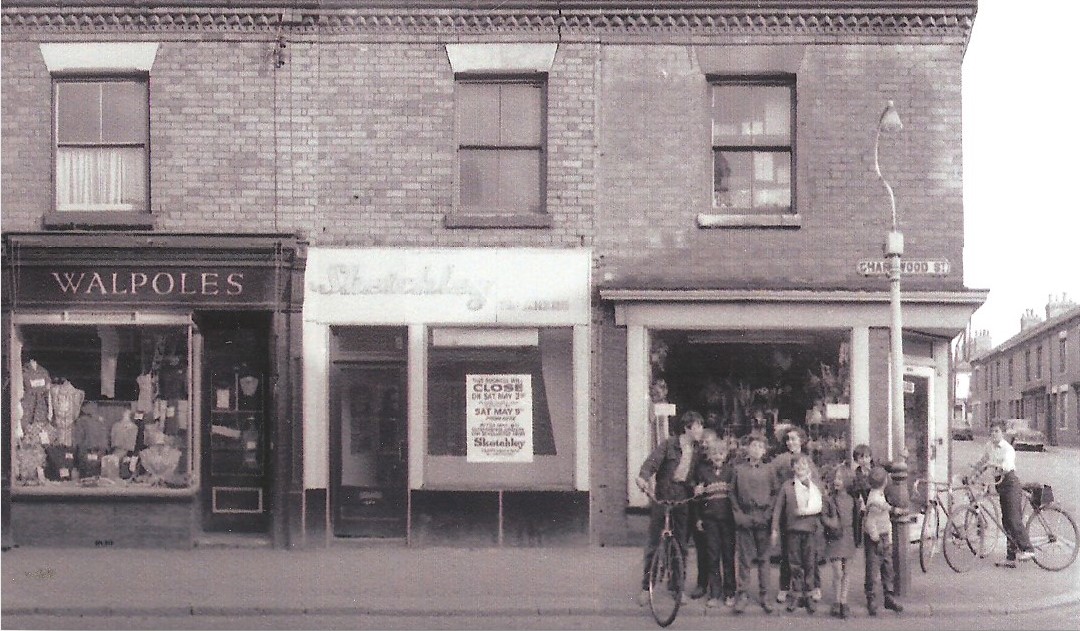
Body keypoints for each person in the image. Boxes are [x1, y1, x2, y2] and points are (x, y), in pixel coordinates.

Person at [635, 410, 706, 606]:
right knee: (654, 543)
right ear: (687, 428)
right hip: (663, 496)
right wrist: (643, 477)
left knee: (681, 545)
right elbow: (652, 462)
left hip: (683, 498)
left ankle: (677, 588)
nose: (701, 430)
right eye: (698, 426)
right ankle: (645, 587)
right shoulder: (669, 444)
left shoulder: (698, 450)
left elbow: (696, 476)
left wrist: (696, 487)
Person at [972, 420, 1035, 567]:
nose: (994, 434)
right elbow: (983, 461)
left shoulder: (1008, 449)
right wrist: (973, 473)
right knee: (1006, 521)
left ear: (1003, 433)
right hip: (1000, 484)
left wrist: (993, 465)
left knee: (1013, 518)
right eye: (992, 431)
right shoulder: (989, 446)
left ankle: (1028, 548)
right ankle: (1011, 557)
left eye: (997, 431)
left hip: (1010, 483)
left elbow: (1006, 466)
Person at [770, 426, 822, 604]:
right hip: (788, 513)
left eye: (794, 439)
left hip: (807, 517)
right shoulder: (780, 460)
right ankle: (785, 587)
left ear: (801, 441)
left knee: (809, 555)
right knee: (788, 554)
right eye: (788, 439)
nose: (790, 442)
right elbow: (773, 481)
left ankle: (813, 587)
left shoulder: (808, 461)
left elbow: (817, 487)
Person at [729, 433, 777, 614]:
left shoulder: (769, 469)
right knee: (744, 559)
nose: (757, 449)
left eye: (760, 446)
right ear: (747, 448)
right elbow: (732, 493)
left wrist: (768, 514)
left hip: (763, 517)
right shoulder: (738, 469)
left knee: (764, 558)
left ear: (764, 451)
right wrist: (738, 514)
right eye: (754, 445)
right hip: (745, 516)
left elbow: (775, 492)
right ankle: (742, 594)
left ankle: (765, 594)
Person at [693, 429, 737, 608]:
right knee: (712, 556)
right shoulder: (703, 473)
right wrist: (698, 518)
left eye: (721, 453)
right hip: (710, 520)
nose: (718, 456)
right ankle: (715, 593)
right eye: (714, 453)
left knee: (728, 555)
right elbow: (697, 499)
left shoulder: (731, 472)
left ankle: (729, 592)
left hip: (728, 521)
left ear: (726, 455)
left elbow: (735, 496)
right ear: (710, 456)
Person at [863, 466, 903, 615]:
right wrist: (876, 538)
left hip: (883, 535)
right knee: (874, 569)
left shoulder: (878, 494)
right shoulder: (874, 499)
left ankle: (887, 596)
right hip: (876, 538)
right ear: (885, 481)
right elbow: (870, 521)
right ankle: (873, 598)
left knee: (887, 567)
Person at [821, 464, 857, 619]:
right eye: (836, 478)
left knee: (847, 571)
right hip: (835, 537)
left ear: (847, 481)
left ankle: (843, 601)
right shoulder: (829, 500)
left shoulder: (852, 500)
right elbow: (823, 517)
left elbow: (856, 520)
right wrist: (831, 523)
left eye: (841, 478)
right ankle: (836, 600)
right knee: (837, 571)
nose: (837, 481)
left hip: (848, 536)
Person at [849, 444, 874, 547]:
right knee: (858, 515)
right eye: (861, 457)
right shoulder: (857, 473)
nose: (864, 460)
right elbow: (856, 489)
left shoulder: (873, 471)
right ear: (856, 460)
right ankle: (858, 540)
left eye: (867, 457)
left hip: (872, 496)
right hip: (862, 497)